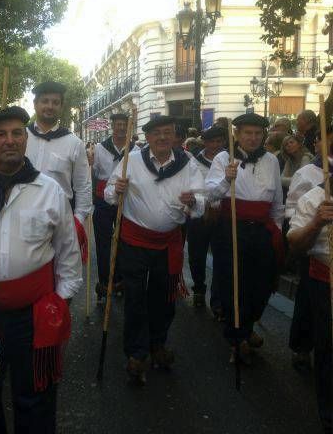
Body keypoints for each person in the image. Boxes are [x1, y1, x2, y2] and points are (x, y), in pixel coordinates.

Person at [0, 106, 81, 434]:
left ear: (26, 140)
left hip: (33, 317)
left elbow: (68, 254)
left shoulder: (49, 190)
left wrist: (60, 300)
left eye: (17, 133)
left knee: (35, 397)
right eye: (1, 134)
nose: (10, 140)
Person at [104, 115, 205, 385]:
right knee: (136, 298)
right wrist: (117, 189)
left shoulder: (187, 163)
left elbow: (203, 199)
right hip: (134, 240)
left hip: (169, 243)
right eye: (157, 133)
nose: (162, 137)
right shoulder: (131, 160)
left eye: (168, 132)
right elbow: (108, 195)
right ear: (147, 138)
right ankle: (136, 352)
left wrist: (194, 200)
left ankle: (158, 344)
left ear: (175, 136)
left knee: (165, 298)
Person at [206, 113, 284, 365]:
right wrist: (226, 178)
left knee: (261, 285)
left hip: (261, 230)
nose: (253, 138)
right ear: (237, 134)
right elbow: (210, 194)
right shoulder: (223, 158)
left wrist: (278, 230)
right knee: (232, 284)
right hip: (231, 228)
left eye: (257, 134)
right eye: (247, 133)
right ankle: (236, 337)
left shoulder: (271, 160)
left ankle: (247, 326)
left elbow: (277, 200)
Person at [26, 81, 92, 262]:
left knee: (59, 271)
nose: (50, 106)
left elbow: (83, 186)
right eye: (45, 101)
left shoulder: (74, 143)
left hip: (59, 222)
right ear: (35, 104)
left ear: (61, 106)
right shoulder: (21, 137)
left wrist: (78, 220)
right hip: (22, 217)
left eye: (55, 102)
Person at [285, 128, 333, 372]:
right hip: (311, 246)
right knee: (308, 302)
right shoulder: (308, 173)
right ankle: (303, 346)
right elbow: (292, 210)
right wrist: (314, 222)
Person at [287, 184, 333, 434]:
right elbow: (295, 244)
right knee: (328, 347)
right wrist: (316, 222)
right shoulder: (314, 198)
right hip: (326, 281)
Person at [92, 114, 131, 301]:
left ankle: (120, 279)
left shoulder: (134, 150)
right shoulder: (99, 148)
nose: (121, 128)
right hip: (103, 200)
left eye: (124, 125)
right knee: (103, 242)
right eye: (118, 125)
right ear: (112, 127)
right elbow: (94, 174)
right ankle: (104, 280)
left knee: (123, 241)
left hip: (124, 200)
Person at [188, 125, 227, 313]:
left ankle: (218, 299)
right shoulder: (194, 162)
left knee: (221, 256)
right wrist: (204, 205)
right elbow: (195, 187)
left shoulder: (230, 159)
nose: (216, 145)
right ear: (205, 142)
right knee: (197, 253)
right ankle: (198, 288)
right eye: (212, 141)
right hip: (200, 214)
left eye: (220, 141)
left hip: (223, 215)